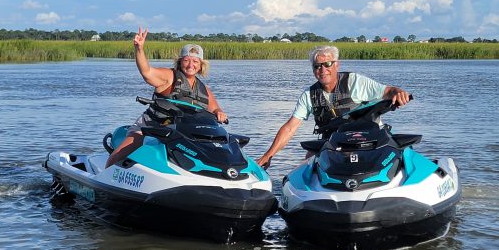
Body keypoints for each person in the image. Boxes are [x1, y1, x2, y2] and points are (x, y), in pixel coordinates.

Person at [256, 45, 410, 169]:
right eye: (317, 66)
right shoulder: (309, 95)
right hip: (333, 143)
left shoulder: (355, 82)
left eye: (327, 64)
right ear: (313, 69)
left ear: (337, 64)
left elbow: (389, 91)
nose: (323, 70)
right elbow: (290, 128)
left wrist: (399, 92)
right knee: (306, 163)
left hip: (370, 139)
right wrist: (268, 156)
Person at [105, 27, 228, 168]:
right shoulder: (169, 76)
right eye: (187, 60)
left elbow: (215, 108)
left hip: (180, 132)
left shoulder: (203, 89)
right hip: (151, 125)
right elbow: (147, 72)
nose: (191, 65)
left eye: (195, 62)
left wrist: (219, 112)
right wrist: (139, 49)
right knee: (123, 152)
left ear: (201, 65)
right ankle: (103, 176)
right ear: (180, 62)